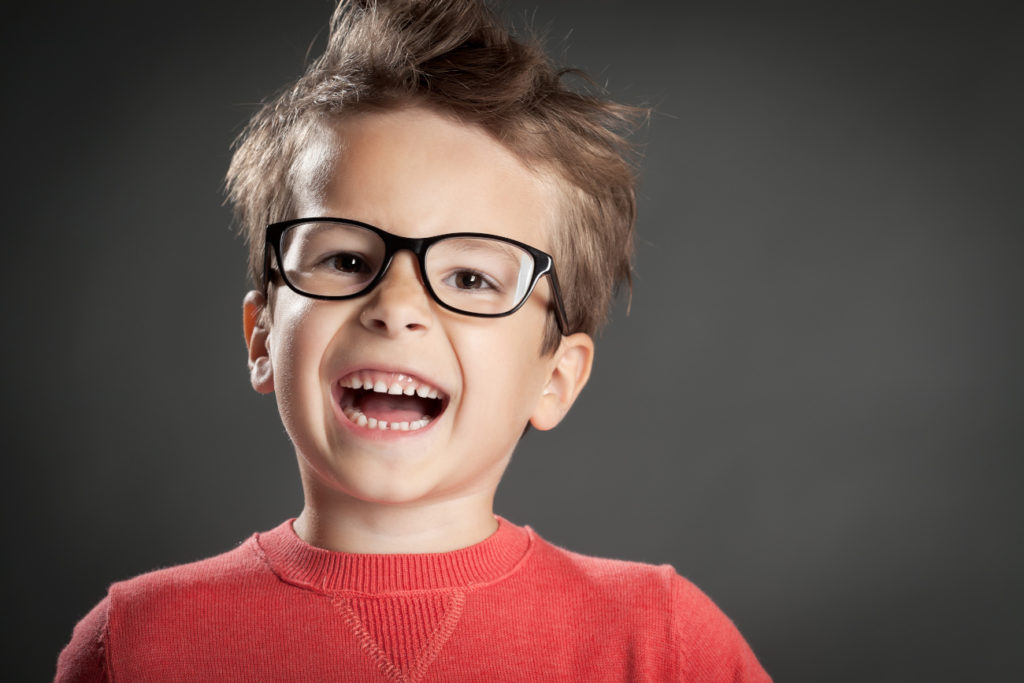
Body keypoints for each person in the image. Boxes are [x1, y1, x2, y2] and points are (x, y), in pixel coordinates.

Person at [56, 1, 770, 680]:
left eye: (469, 278)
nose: (396, 307)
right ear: (262, 336)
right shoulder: (135, 645)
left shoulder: (664, 643)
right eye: (344, 260)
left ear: (554, 378)